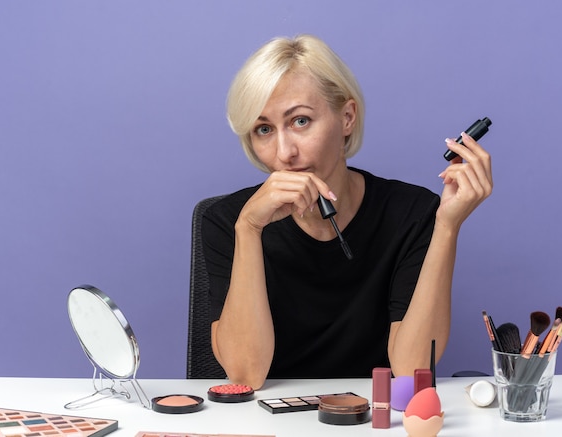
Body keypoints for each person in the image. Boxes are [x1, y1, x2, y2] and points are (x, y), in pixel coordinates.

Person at [202, 34, 493, 389]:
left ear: (347, 118)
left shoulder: (411, 213)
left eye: (300, 121)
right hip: (269, 418)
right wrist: (249, 229)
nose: (284, 152)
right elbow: (245, 376)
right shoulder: (227, 219)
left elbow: (411, 369)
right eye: (264, 129)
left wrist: (447, 226)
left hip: (373, 417)